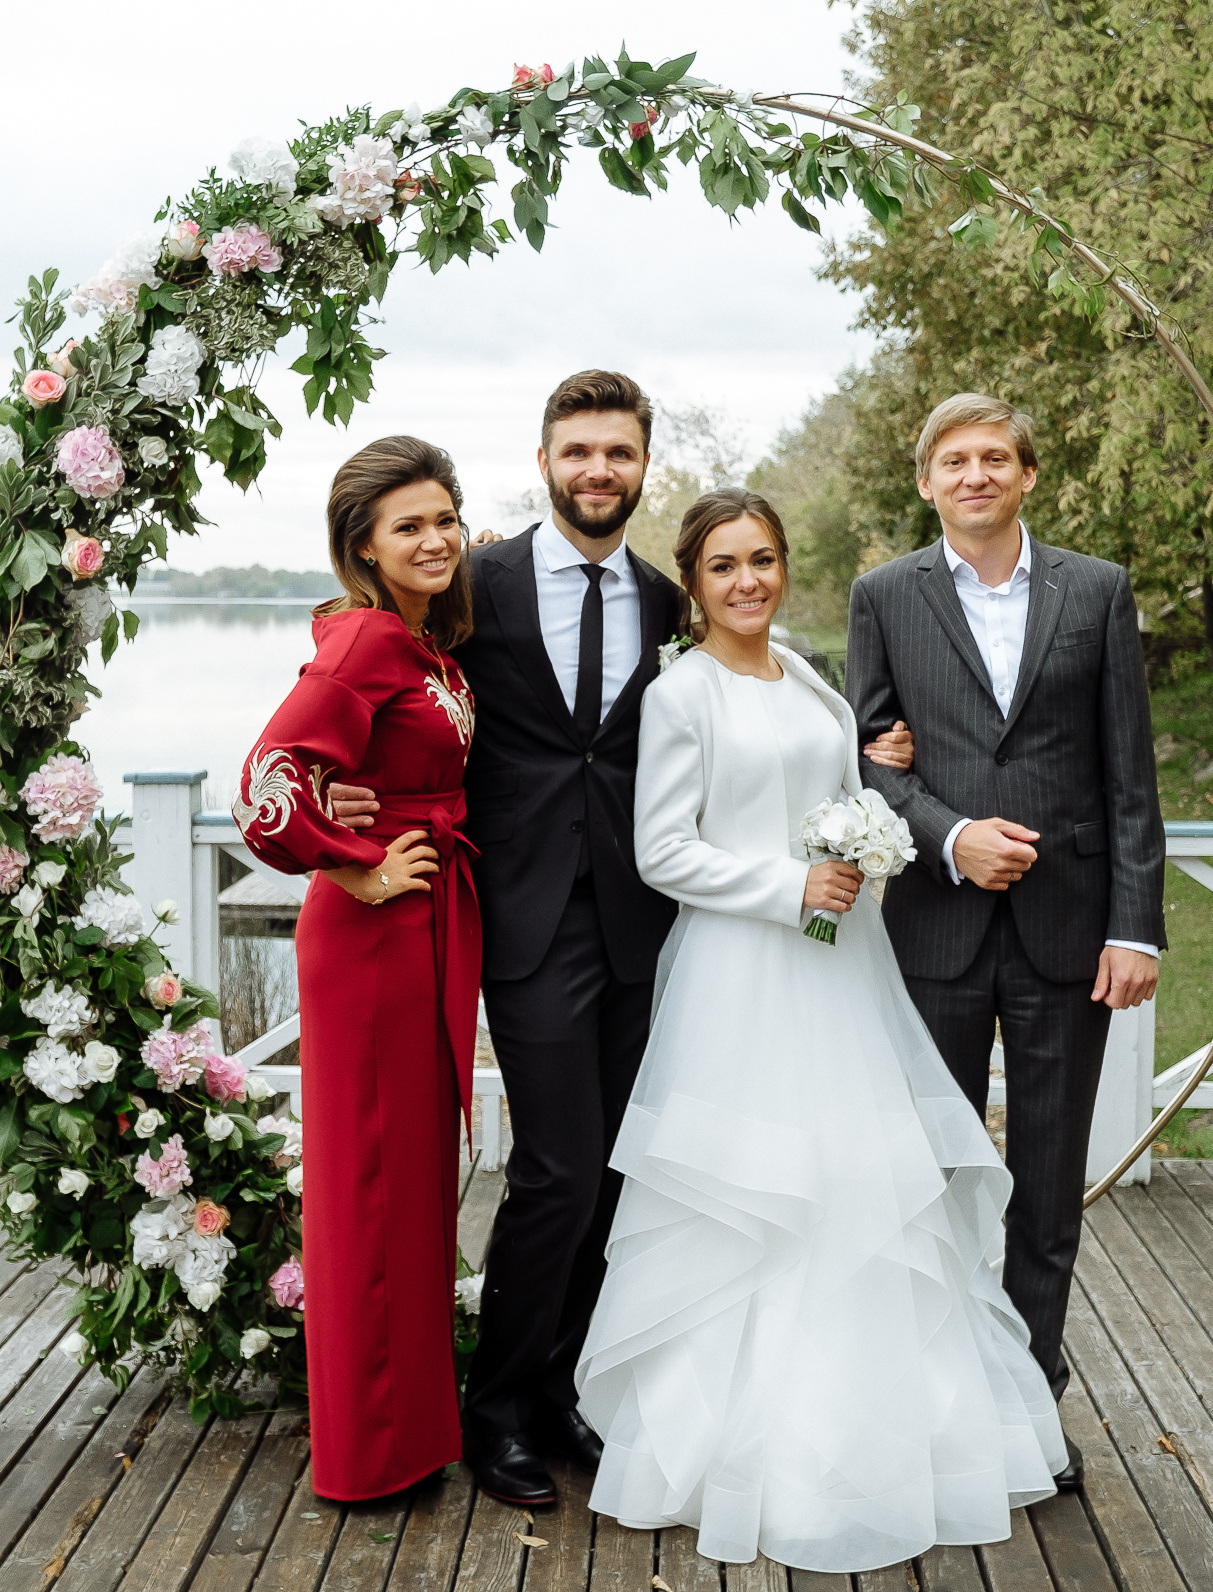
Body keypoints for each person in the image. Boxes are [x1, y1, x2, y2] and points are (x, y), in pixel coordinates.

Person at [325, 374, 916, 1509]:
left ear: (645, 466)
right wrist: (343, 790)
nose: (600, 469)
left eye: (621, 452)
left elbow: (748, 707)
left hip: (657, 930)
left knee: (620, 1165)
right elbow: (374, 661)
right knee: (552, 1166)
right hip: (529, 915)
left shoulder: (662, 601)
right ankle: (492, 1409)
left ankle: (567, 1389)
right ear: (546, 457)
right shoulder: (472, 578)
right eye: (580, 449)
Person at [576, 488, 1063, 1569]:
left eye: (763, 559)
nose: (748, 581)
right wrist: (785, 886)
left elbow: (843, 786)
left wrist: (873, 798)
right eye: (723, 567)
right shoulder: (681, 694)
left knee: (860, 1189)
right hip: (743, 969)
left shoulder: (803, 672)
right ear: (693, 585)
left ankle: (891, 1432)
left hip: (843, 968)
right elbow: (665, 851)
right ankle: (734, 1453)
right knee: (754, 1203)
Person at [847, 393, 1166, 1491]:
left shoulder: (1097, 591)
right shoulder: (884, 595)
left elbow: (1130, 772)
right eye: (954, 459)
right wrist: (950, 836)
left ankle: (1029, 1410)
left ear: (1028, 474)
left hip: (1069, 935)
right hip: (932, 929)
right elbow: (869, 761)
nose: (975, 473)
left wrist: (1137, 926)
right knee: (933, 1177)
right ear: (926, 480)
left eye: (995, 457)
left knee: (1044, 1186)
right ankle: (937, 1403)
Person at [233, 435, 480, 1503]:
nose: (433, 539)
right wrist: (356, 864)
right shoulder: (366, 643)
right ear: (364, 547)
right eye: (407, 526)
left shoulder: (426, 646)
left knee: (410, 1180)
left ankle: (413, 1431)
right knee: (372, 1182)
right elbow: (266, 780)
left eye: (444, 519)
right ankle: (369, 1454)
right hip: (373, 934)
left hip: (423, 923)